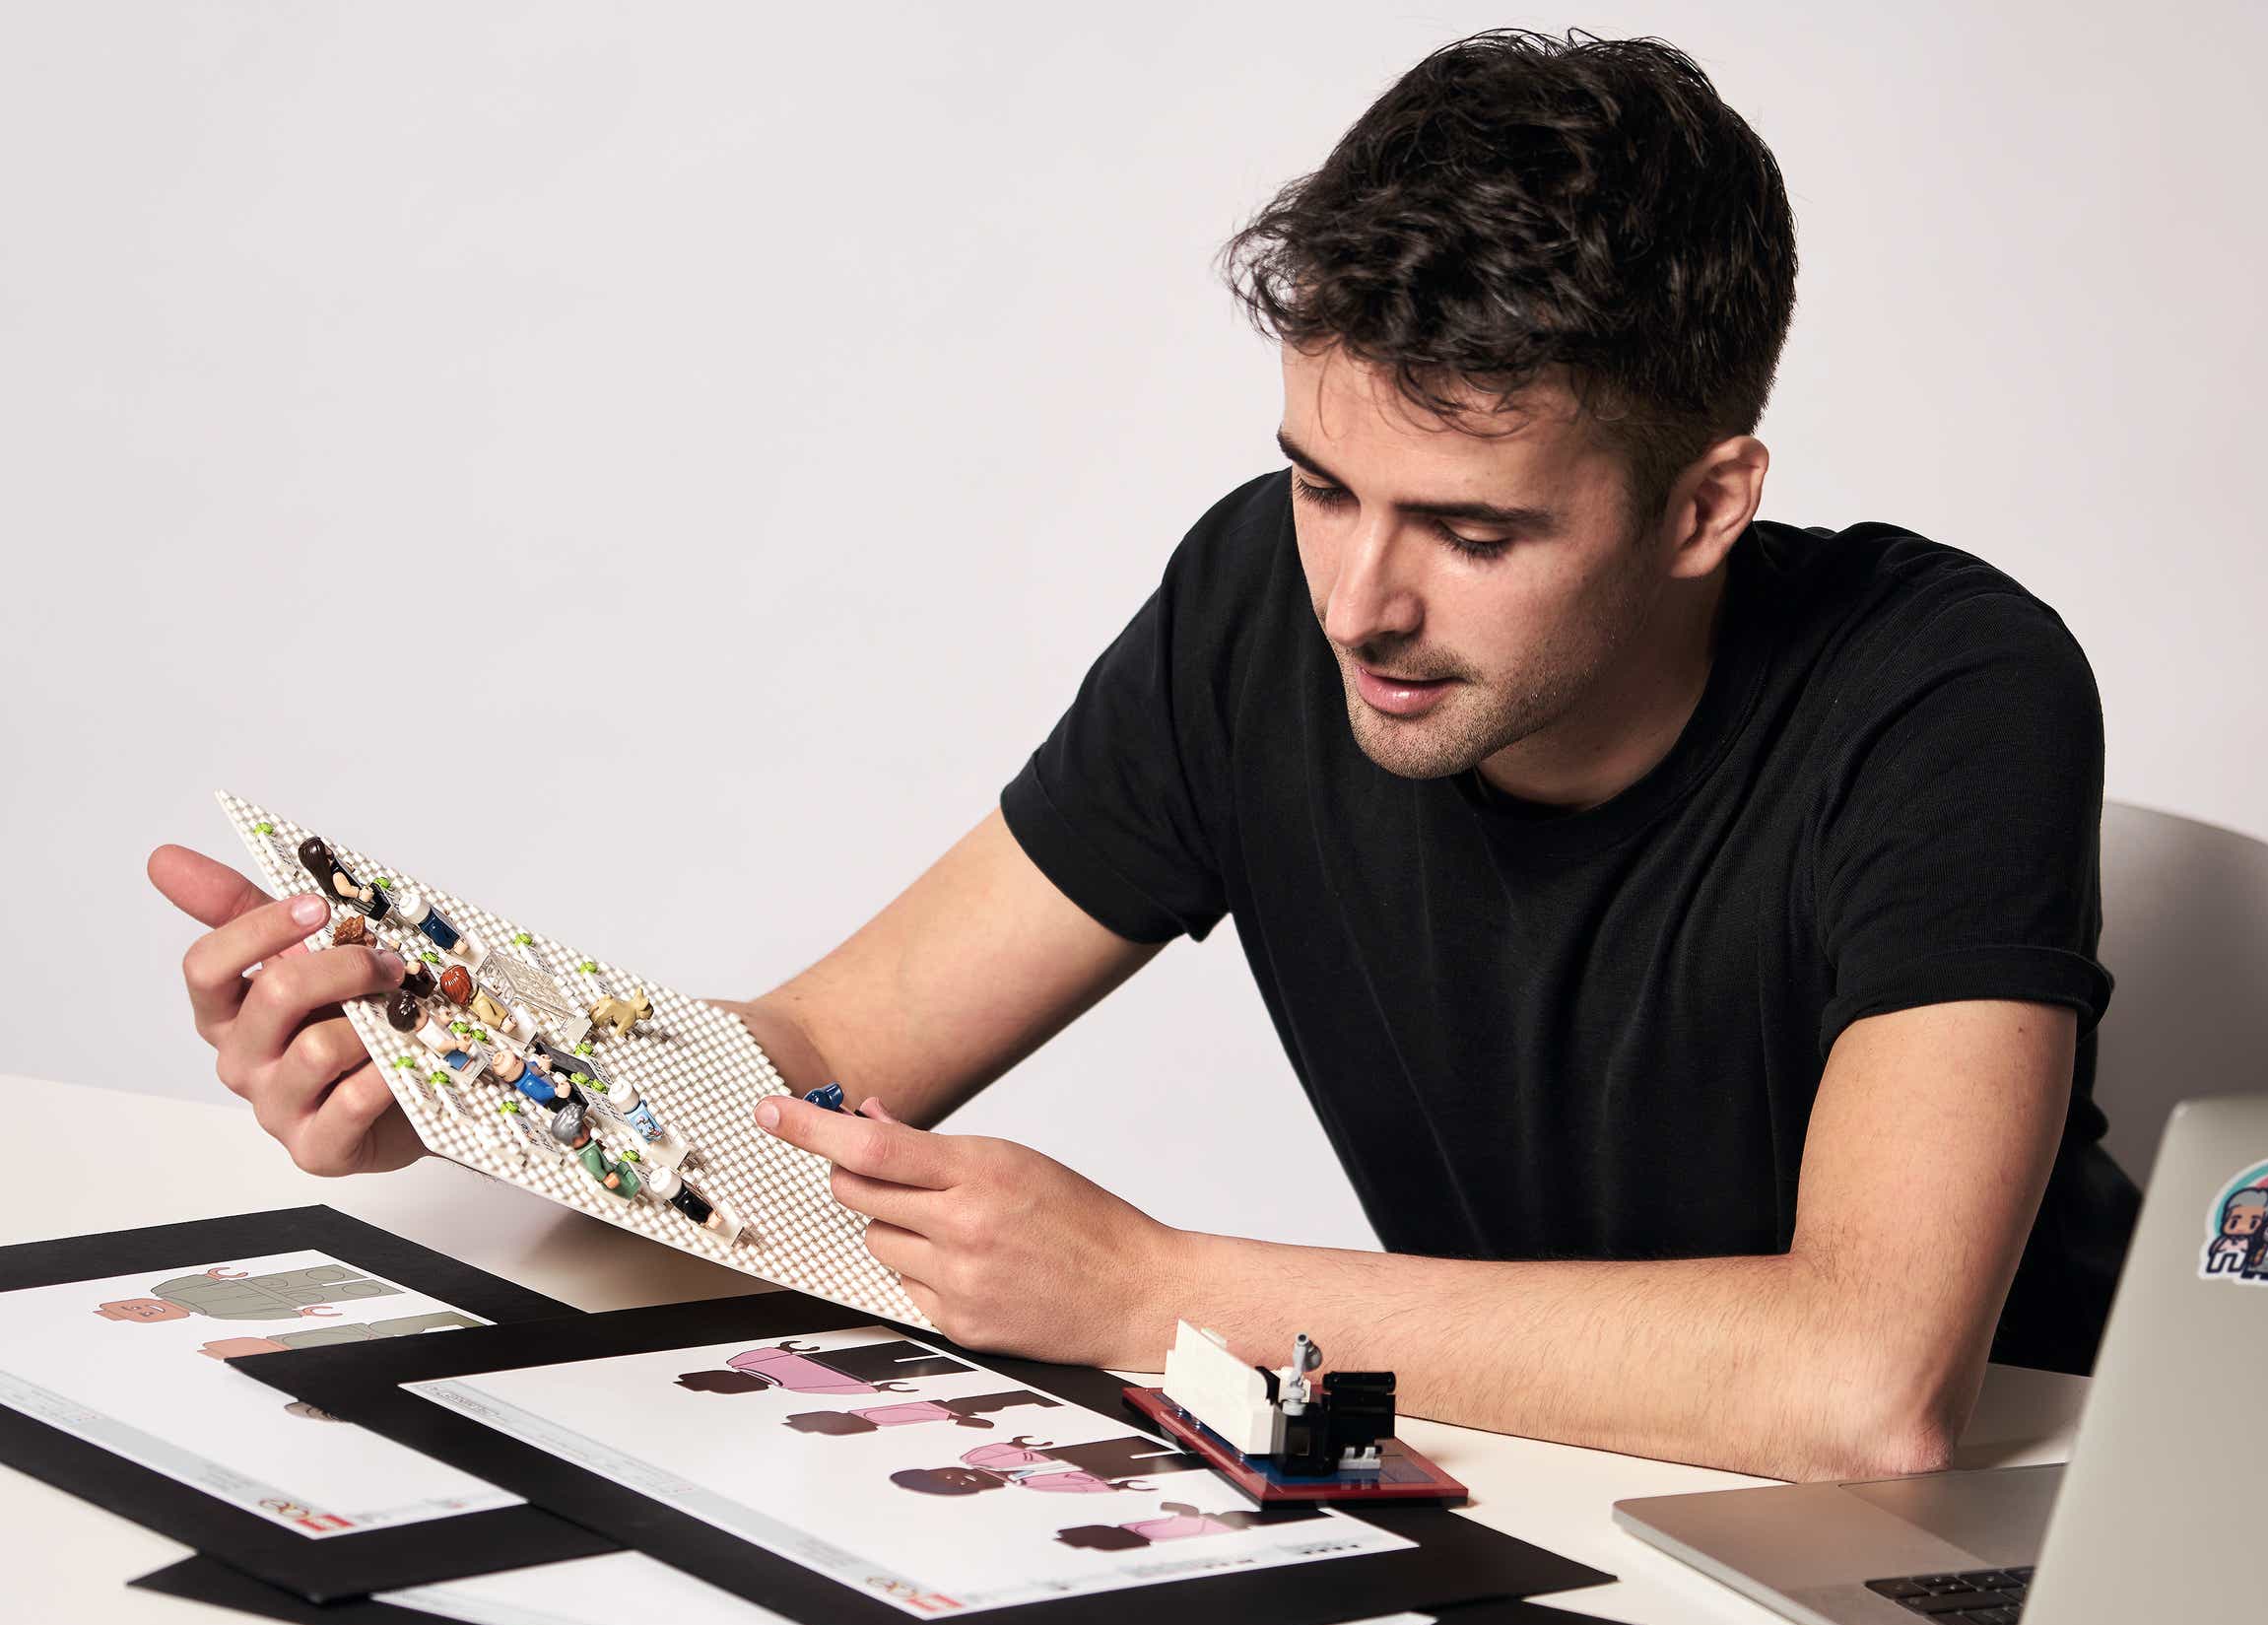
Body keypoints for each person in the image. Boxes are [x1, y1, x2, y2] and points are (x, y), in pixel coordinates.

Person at [143, 30, 2137, 1480]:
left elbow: (1867, 1387)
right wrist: (450, 1076)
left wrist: (1148, 1291)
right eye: (1323, 485)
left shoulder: (1950, 692)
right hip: (1560, 1491)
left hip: (2026, 1521)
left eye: (1472, 532)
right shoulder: (1255, 612)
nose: (1360, 601)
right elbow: (819, 1065)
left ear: (1703, 507)